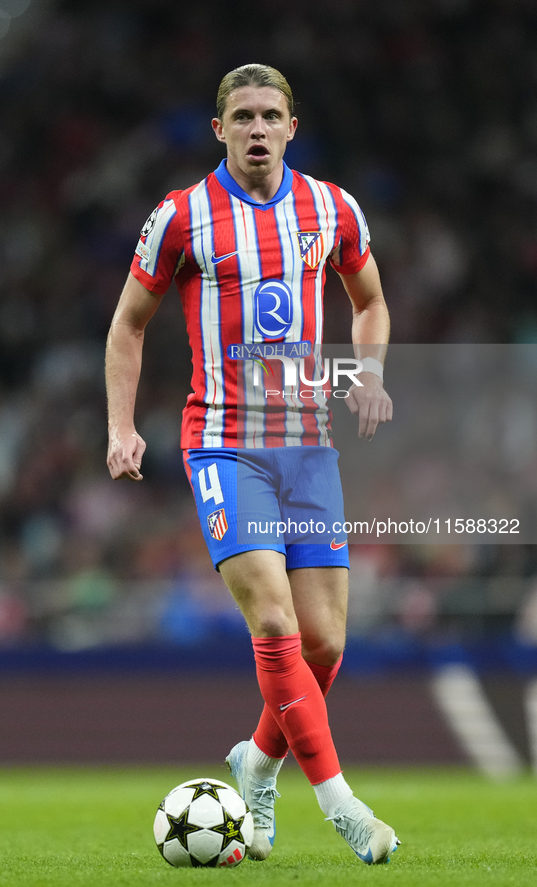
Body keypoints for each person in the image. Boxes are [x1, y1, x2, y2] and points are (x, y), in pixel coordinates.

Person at [106, 63, 398, 865]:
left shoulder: (331, 208)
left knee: (325, 645)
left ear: (292, 128)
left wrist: (368, 375)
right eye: (243, 117)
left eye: (271, 115)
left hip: (308, 445)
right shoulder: (181, 216)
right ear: (220, 130)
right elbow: (129, 323)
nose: (258, 128)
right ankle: (338, 803)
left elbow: (368, 299)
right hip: (225, 443)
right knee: (273, 622)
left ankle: (256, 762)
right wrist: (120, 426)